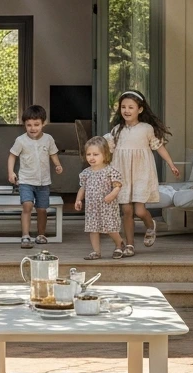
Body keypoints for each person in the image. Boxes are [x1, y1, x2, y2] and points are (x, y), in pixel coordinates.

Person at [105, 90, 181, 255]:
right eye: (123, 107)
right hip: (122, 174)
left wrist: (171, 164)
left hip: (141, 173)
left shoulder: (147, 129)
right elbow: (107, 150)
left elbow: (159, 147)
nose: (126, 110)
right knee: (126, 211)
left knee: (139, 211)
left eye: (130, 107)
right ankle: (130, 245)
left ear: (139, 109)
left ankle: (150, 225)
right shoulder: (117, 130)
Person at [7, 104, 63, 249]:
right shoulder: (21, 140)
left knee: (42, 209)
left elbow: (53, 153)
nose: (33, 128)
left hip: (44, 182)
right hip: (26, 180)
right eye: (29, 125)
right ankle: (25, 236)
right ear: (24, 125)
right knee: (27, 205)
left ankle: (41, 235)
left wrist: (57, 165)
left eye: (36, 125)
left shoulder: (48, 139)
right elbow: (12, 156)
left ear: (44, 123)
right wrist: (11, 172)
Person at [74, 136, 124, 260]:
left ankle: (119, 244)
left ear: (105, 154)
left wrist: (112, 195)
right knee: (93, 229)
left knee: (110, 228)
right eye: (89, 154)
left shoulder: (110, 171)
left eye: (95, 154)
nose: (91, 157)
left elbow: (117, 186)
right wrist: (78, 199)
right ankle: (96, 251)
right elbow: (83, 187)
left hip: (107, 206)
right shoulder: (86, 173)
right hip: (92, 207)